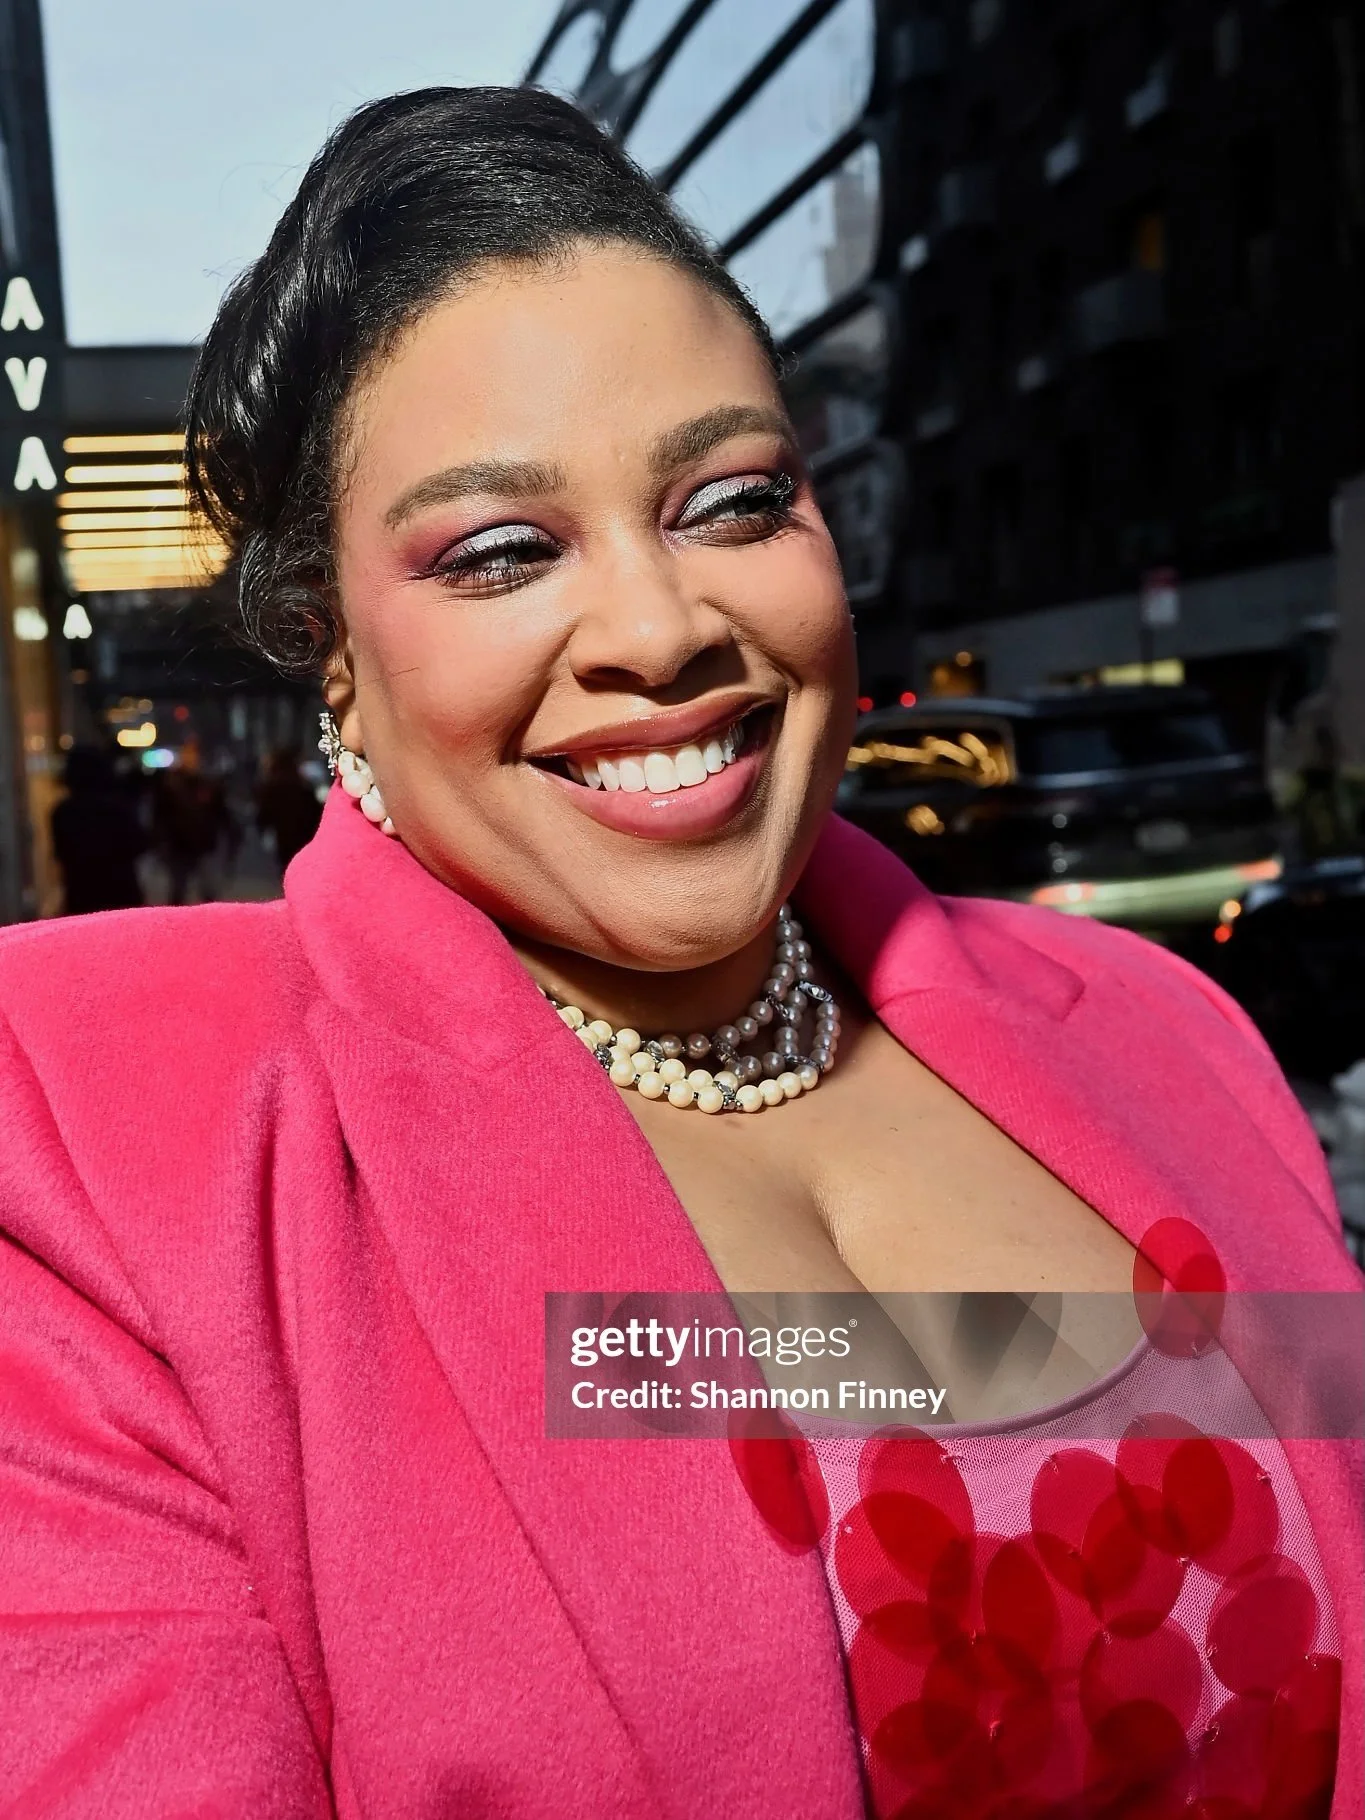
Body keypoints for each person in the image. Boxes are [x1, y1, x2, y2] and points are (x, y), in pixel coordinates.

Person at [0, 88, 1358, 1819]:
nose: (661, 627)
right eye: (501, 551)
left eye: (731, 502)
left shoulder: (1168, 1032)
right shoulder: (91, 1138)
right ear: (330, 650)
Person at [49, 742, 148, 915]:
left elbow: (61, 852)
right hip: (120, 890)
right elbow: (139, 844)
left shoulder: (62, 811)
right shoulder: (117, 806)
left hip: (81, 893)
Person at [149, 738, 238, 903]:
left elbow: (222, 814)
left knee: (208, 891)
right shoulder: (171, 785)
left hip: (203, 844)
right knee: (178, 890)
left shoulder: (208, 786)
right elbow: (160, 817)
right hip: (178, 845)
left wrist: (231, 836)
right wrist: (160, 843)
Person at [256, 744, 325, 869]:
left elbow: (264, 814)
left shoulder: (272, 788)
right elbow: (315, 813)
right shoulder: (303, 787)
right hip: (303, 836)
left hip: (285, 835)